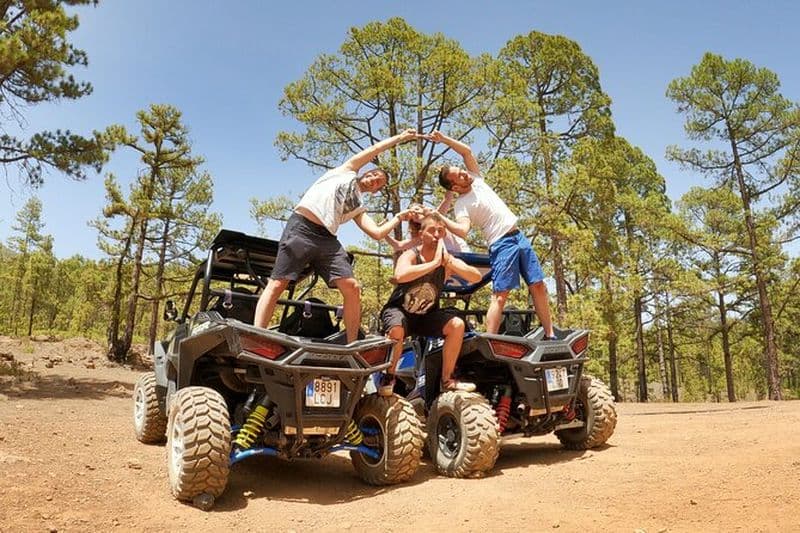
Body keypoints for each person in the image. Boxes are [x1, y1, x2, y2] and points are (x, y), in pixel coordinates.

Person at [254, 129, 418, 343]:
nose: (373, 180)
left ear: (376, 191)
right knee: (277, 284)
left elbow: (377, 233)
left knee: (352, 287)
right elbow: (376, 149)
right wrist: (400, 138)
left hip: (327, 240)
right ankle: (256, 335)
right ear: (365, 173)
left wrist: (399, 217)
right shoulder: (346, 171)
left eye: (378, 182)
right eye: (373, 175)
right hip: (302, 227)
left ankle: (351, 343)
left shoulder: (358, 207)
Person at [425, 130, 556, 337]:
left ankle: (550, 334)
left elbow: (466, 152)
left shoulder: (477, 179)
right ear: (455, 186)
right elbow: (462, 231)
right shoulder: (462, 205)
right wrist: (440, 217)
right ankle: (490, 340)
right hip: (501, 243)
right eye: (459, 176)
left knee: (538, 285)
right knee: (500, 295)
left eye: (461, 170)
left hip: (518, 236)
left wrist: (443, 139)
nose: (464, 173)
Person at [379, 213, 483, 396]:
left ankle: (447, 380)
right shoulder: (411, 255)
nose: (436, 235)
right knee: (396, 330)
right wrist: (433, 264)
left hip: (426, 317)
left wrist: (449, 262)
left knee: (457, 325)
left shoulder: (446, 260)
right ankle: (389, 377)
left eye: (440, 231)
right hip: (399, 312)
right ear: (421, 234)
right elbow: (400, 275)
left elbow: (476, 277)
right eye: (432, 230)